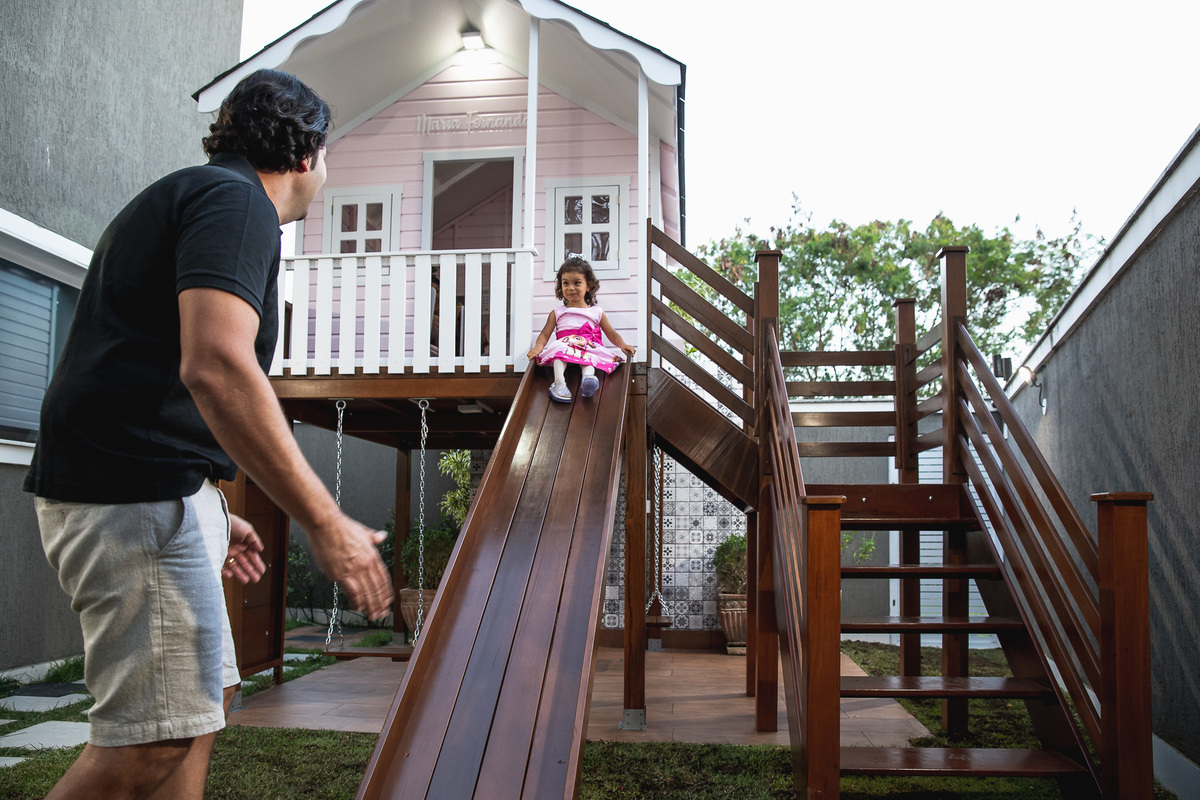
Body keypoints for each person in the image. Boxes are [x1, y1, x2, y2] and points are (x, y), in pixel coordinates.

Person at [23, 68, 393, 800]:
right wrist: (323, 520)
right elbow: (218, 365)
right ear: (306, 153)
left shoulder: (199, 197)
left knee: (195, 716)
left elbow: (159, 370)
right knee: (154, 740)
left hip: (155, 489)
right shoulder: (236, 202)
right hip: (133, 491)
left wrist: (209, 508)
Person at [527, 255, 636, 402]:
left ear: (588, 286)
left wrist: (623, 345)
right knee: (558, 351)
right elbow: (545, 335)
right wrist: (538, 347)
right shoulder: (558, 312)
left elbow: (612, 333)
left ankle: (588, 379)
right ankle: (559, 383)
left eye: (577, 283)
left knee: (589, 358)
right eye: (565, 283)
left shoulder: (596, 312)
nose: (570, 288)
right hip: (565, 347)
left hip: (585, 347)